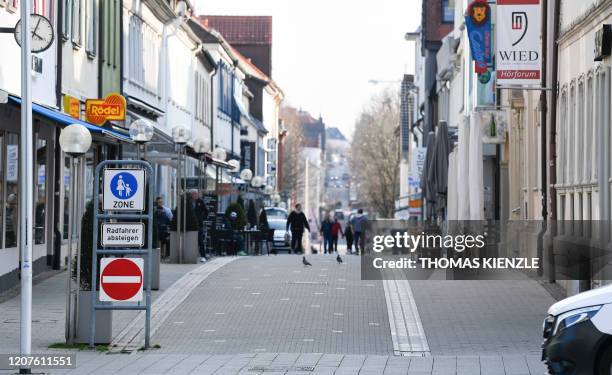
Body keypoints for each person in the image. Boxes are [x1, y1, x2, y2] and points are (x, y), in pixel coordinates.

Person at [190, 190, 208, 261]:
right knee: (191, 240)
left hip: (199, 224)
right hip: (190, 224)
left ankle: (203, 256)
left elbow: (206, 211)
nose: (195, 195)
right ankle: (192, 255)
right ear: (191, 195)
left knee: (200, 240)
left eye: (196, 194)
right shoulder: (189, 202)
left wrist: (202, 218)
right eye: (193, 194)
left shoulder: (200, 201)